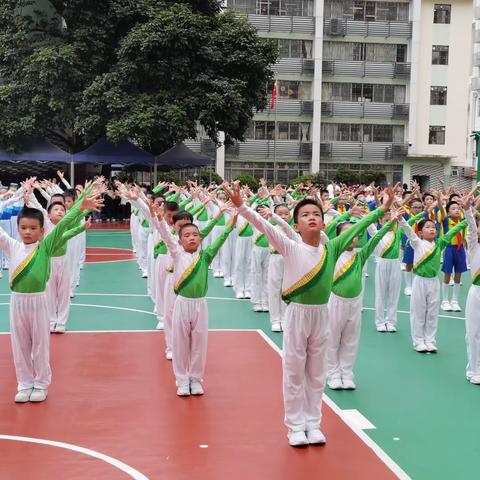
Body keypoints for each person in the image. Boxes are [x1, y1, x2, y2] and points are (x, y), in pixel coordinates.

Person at [224, 181, 394, 447]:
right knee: (293, 371)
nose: (311, 217)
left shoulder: (332, 248)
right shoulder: (290, 246)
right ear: (296, 225)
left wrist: (381, 208)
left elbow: (359, 227)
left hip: (321, 315)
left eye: (316, 214)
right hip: (297, 314)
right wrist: (242, 207)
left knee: (316, 373)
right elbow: (265, 226)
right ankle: (295, 426)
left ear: (324, 223)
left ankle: (313, 423)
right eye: (305, 215)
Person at [0, 186, 103, 403]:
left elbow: (64, 224)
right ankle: (25, 383)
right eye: (23, 228)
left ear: (42, 230)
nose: (27, 232)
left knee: (39, 344)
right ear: (18, 228)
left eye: (33, 228)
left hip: (38, 301)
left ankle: (41, 383)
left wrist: (78, 208)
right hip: (17, 302)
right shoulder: (12, 246)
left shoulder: (46, 246)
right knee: (19, 345)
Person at [153, 203, 237, 396]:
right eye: (186, 235)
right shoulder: (176, 254)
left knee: (199, 343)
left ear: (200, 239)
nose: (191, 237)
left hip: (200, 305)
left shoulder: (206, 256)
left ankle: (196, 379)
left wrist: (230, 224)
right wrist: (159, 218)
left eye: (195, 235)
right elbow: (166, 234)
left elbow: (221, 239)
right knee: (180, 343)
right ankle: (182, 380)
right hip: (182, 303)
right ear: (180, 241)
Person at [327, 210, 398, 391]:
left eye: (355, 234)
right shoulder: (332, 252)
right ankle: (333, 373)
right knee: (333, 338)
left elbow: (376, 238)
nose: (352, 237)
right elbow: (326, 231)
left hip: (354, 303)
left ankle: (347, 373)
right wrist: (345, 215)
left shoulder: (361, 255)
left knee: (350, 340)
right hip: (336, 302)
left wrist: (391, 223)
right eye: (346, 233)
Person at [399, 210, 467, 353]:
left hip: (434, 282)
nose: (432, 229)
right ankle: (418, 341)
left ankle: (430, 340)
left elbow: (455, 229)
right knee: (418, 312)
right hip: (420, 281)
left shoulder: (440, 243)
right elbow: (408, 230)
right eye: (427, 227)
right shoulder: (417, 243)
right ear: (420, 233)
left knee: (432, 313)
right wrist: (400, 219)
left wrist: (467, 218)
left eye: (433, 227)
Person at [463, 192, 480, 384]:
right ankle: (474, 370)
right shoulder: (474, 246)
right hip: (476, 292)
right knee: (474, 332)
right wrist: (467, 210)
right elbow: (471, 230)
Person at [441, 201, 467, 312]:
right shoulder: (447, 221)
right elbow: (442, 211)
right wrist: (438, 200)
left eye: (458, 208)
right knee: (447, 274)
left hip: (460, 249)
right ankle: (445, 301)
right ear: (448, 213)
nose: (457, 210)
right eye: (453, 208)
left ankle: (455, 301)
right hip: (449, 249)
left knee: (458, 275)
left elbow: (472, 212)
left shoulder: (463, 221)